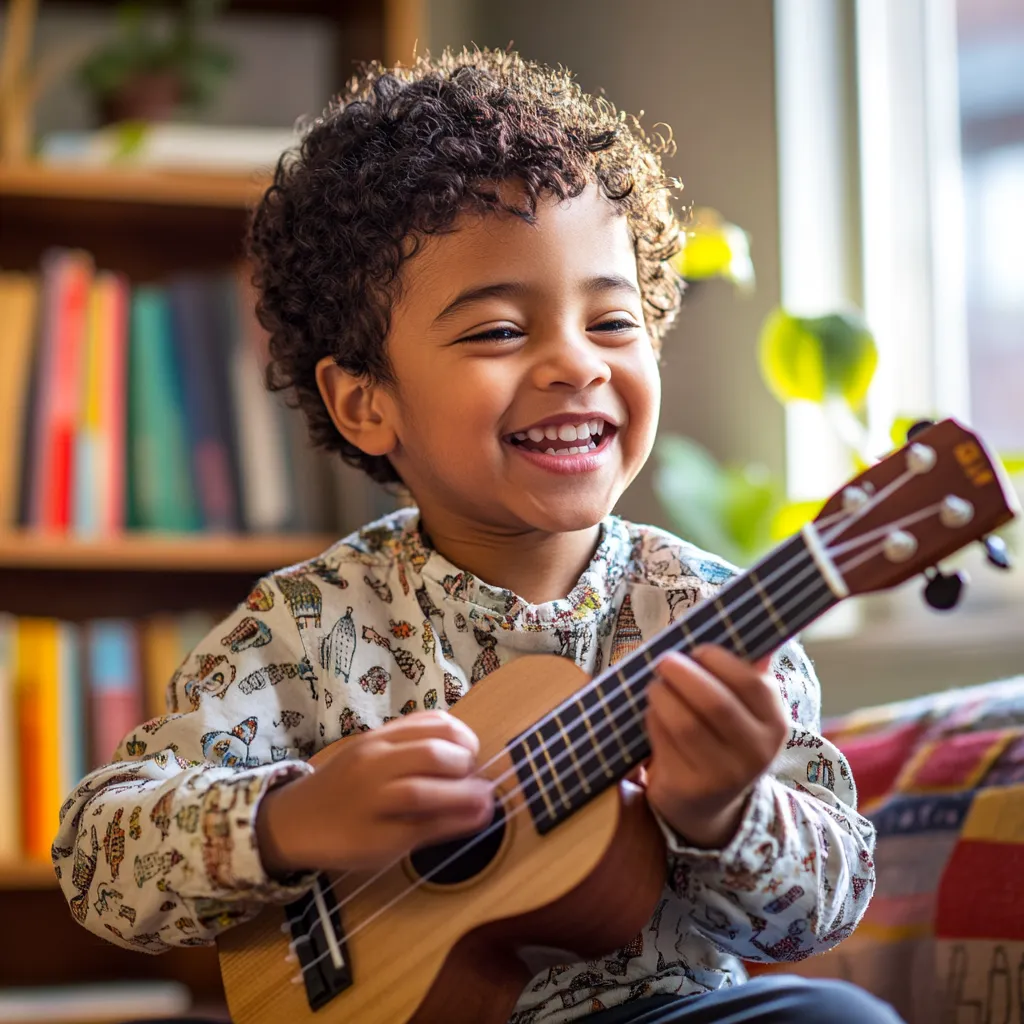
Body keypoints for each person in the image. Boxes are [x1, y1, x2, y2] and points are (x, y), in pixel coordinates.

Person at [54, 48, 901, 1024]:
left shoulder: (714, 623)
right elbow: (96, 857)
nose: (572, 364)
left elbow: (825, 908)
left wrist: (725, 813)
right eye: (499, 332)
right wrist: (289, 818)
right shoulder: (299, 630)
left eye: (613, 321)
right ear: (367, 404)